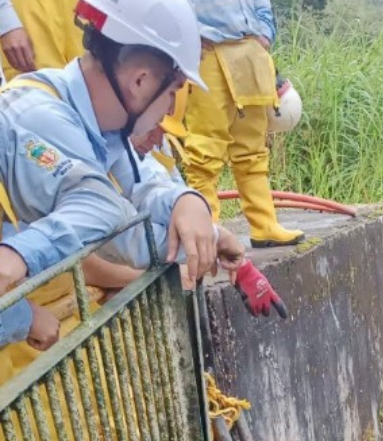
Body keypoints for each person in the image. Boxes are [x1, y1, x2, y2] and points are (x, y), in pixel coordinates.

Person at [0, 0, 228, 351]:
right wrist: (18, 258)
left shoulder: (99, 127)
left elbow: (135, 193)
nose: (169, 108)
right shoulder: (37, 115)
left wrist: (190, 206)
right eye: (171, 92)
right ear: (140, 80)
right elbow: (105, 213)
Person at [182, 0, 305, 248]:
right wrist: (187, 35)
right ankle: (206, 233)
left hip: (251, 53)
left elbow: (262, 6)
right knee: (204, 151)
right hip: (207, 53)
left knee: (253, 149)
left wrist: (265, 35)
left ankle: (265, 226)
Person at [0, 0, 84, 79]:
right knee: (35, 84)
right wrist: (6, 20)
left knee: (84, 78)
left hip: (80, 11)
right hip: (27, 14)